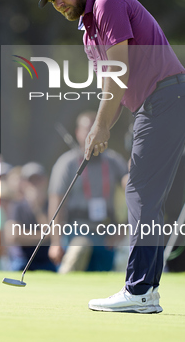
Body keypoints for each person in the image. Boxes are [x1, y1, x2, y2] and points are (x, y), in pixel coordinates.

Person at [38, 0, 185, 313]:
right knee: (145, 194)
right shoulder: (87, 32)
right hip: (156, 106)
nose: (59, 3)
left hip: (167, 100)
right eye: (52, 1)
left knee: (139, 192)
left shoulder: (107, 3)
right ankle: (146, 291)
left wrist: (101, 126)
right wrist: (102, 127)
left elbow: (119, 73)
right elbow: (108, 85)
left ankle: (140, 290)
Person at [48, 112, 128, 273]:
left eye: (95, 128)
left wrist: (124, 228)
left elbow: (134, 193)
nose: (91, 133)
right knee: (80, 247)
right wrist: (55, 242)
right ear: (78, 132)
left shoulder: (113, 161)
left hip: (107, 233)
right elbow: (56, 204)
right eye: (87, 129)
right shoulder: (67, 163)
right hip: (76, 231)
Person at [6, 162, 56, 272]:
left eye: (38, 179)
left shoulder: (52, 205)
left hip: (48, 260)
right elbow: (14, 236)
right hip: (23, 260)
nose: (34, 184)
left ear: (45, 181)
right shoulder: (17, 206)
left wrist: (37, 209)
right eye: (30, 180)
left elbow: (53, 234)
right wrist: (43, 236)